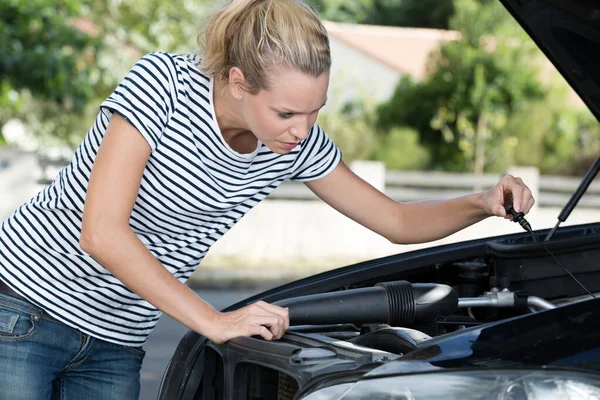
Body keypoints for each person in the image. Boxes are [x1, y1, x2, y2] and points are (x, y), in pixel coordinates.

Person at [0, 0, 535, 398]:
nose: (302, 129)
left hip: (118, 341)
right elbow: (103, 233)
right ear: (238, 82)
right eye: (286, 113)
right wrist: (212, 320)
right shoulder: (161, 86)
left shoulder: (292, 146)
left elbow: (395, 220)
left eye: (315, 111)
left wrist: (481, 202)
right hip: (23, 312)